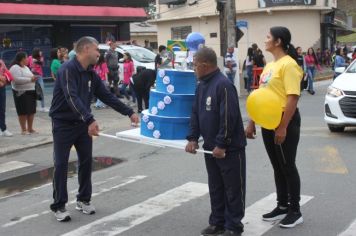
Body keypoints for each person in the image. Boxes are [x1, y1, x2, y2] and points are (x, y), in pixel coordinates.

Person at [49, 36, 139, 222]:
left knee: (86, 162)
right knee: (61, 164)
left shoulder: (91, 73)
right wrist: (90, 119)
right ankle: (59, 205)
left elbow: (106, 96)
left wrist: (129, 112)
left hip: (82, 125)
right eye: (97, 49)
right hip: (63, 124)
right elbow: (71, 97)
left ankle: (83, 199)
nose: (100, 53)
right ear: (86, 49)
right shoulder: (68, 69)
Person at [245, 26, 303, 229]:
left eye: (268, 37)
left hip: (283, 121)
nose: (265, 39)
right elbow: (260, 96)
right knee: (277, 166)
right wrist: (252, 121)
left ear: (278, 42)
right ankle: (282, 205)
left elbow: (293, 97)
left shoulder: (289, 65)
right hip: (267, 122)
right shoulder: (270, 66)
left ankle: (295, 211)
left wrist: (283, 127)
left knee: (288, 165)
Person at [185, 47, 246, 236]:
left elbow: (229, 116)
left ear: (205, 65)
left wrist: (222, 143)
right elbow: (195, 113)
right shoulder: (201, 85)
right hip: (210, 148)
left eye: (195, 65)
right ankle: (217, 222)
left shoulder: (223, 85)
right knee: (216, 186)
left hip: (229, 148)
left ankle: (233, 226)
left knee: (233, 188)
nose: (193, 69)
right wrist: (193, 138)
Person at [9, 52, 38, 135]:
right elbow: (16, 80)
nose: (28, 60)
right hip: (21, 93)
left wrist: (34, 77)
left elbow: (30, 76)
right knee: (23, 111)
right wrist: (30, 80)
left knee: (31, 110)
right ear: (22, 59)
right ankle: (23, 129)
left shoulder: (26, 67)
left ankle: (30, 128)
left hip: (31, 91)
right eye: (26, 58)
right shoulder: (15, 67)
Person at [29, 47, 49, 112]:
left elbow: (41, 63)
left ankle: (43, 107)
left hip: (39, 76)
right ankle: (34, 106)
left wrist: (36, 61)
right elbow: (27, 64)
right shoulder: (30, 57)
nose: (41, 52)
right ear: (36, 52)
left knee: (41, 90)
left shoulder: (41, 58)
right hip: (32, 76)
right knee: (33, 91)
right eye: (40, 51)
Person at [0, 60, 13, 137]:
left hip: (2, 88)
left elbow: (7, 72)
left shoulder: (1, 61)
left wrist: (3, 78)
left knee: (2, 108)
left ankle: (3, 128)